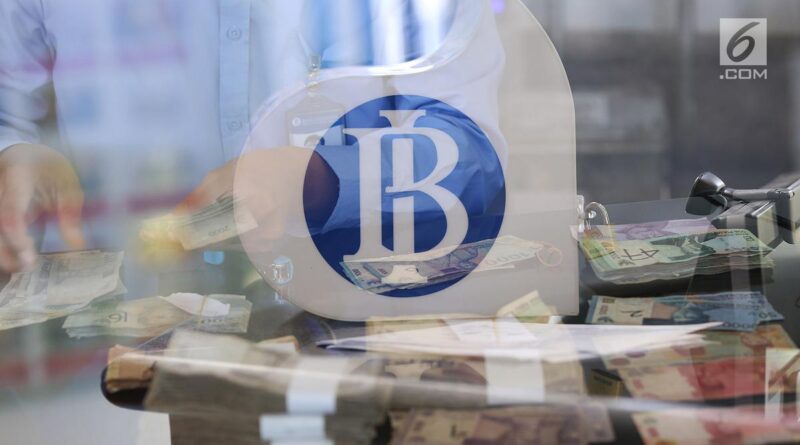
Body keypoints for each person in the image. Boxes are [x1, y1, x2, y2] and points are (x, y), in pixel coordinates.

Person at [0, 0, 504, 275]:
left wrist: (318, 179)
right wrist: (16, 153)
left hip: (347, 317)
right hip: (107, 349)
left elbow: (473, 154)